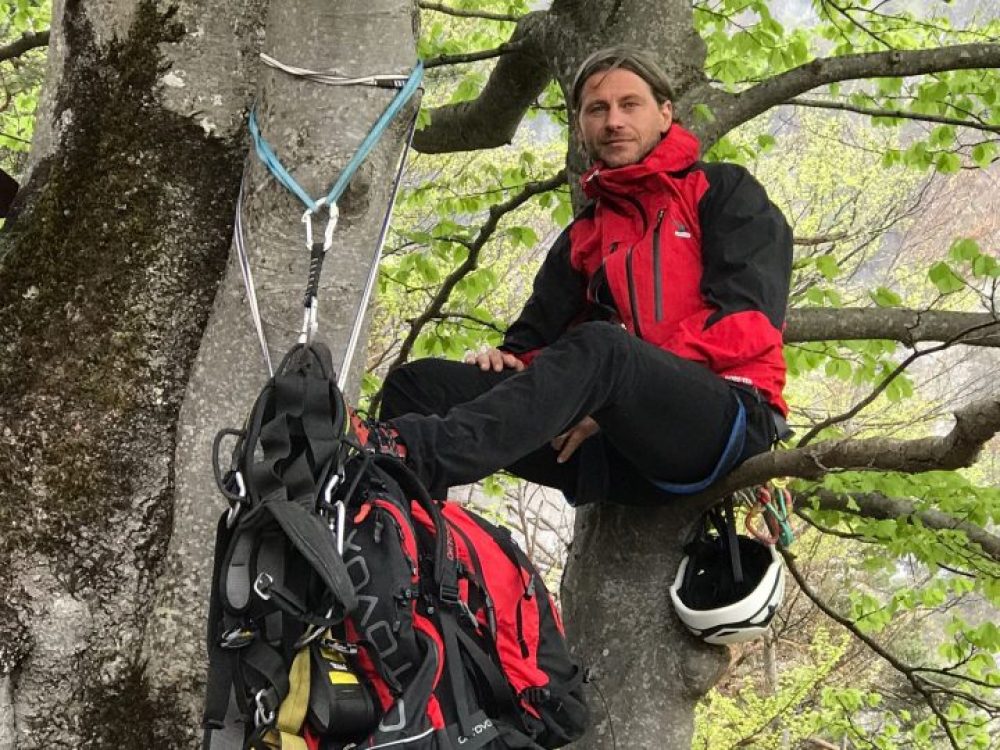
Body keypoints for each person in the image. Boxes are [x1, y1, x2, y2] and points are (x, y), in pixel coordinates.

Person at [354, 46, 793, 506]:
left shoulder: (722, 191)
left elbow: (747, 323)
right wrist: (510, 359)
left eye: (630, 105)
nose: (614, 121)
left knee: (604, 348)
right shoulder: (587, 232)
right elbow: (531, 343)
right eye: (597, 110)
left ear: (665, 114)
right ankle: (401, 542)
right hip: (617, 446)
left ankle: (414, 451)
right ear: (581, 129)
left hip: (723, 423)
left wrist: (617, 391)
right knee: (419, 385)